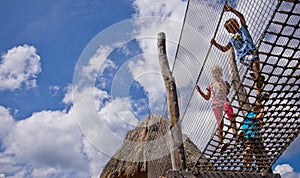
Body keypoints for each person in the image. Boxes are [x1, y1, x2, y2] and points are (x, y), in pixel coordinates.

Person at [211, 4, 265, 97]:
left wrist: (232, 10)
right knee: (254, 63)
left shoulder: (243, 29)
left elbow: (241, 17)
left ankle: (258, 94)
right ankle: (258, 79)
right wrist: (215, 44)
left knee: (255, 75)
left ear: (237, 24)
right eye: (230, 27)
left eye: (234, 24)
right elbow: (224, 49)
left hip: (252, 52)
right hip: (244, 56)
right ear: (228, 31)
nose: (233, 27)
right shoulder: (231, 40)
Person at [196, 65, 237, 152]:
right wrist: (200, 91)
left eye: (217, 73)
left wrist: (225, 88)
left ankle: (235, 134)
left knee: (231, 115)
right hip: (216, 105)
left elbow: (227, 92)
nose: (216, 74)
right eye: (214, 73)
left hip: (224, 102)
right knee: (220, 124)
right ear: (212, 75)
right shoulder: (210, 85)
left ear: (220, 74)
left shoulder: (225, 83)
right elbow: (207, 97)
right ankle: (221, 143)